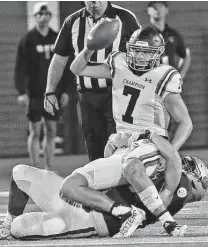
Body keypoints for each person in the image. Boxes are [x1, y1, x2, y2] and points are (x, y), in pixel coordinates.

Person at [53, 26, 193, 236]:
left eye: (146, 52)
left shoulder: (164, 75)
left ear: (157, 53)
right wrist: (89, 48)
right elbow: (77, 69)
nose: (139, 56)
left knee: (132, 165)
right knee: (71, 185)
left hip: (149, 142)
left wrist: (170, 151)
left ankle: (168, 222)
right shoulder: (119, 63)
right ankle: (125, 213)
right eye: (136, 50)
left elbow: (186, 123)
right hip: (121, 143)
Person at [0, 153, 207, 239]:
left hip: (89, 218)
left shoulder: (181, 186)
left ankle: (13, 226)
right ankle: (6, 225)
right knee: (20, 172)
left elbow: (171, 194)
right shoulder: (156, 167)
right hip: (78, 194)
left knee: (22, 227)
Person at [44, 1, 141, 161]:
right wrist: (50, 90)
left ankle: (120, 185)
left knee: (119, 146)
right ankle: (99, 185)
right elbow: (59, 58)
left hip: (117, 94)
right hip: (86, 95)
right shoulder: (72, 21)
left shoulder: (125, 18)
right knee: (94, 147)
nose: (94, 1)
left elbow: (138, 56)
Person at [14, 2, 70, 170]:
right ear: (35, 16)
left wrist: (66, 90)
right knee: (35, 131)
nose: (43, 17)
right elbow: (20, 67)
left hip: (53, 93)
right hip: (35, 93)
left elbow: (66, 66)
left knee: (51, 130)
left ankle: (48, 168)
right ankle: (35, 167)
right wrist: (21, 91)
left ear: (50, 17)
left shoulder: (57, 38)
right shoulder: (28, 40)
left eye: (46, 14)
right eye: (40, 14)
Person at [147, 1, 191, 79]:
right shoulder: (143, 34)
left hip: (169, 84)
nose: (157, 9)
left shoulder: (173, 34)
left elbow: (186, 55)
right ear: (148, 10)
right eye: (154, 7)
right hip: (150, 82)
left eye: (160, 6)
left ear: (166, 10)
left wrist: (180, 76)